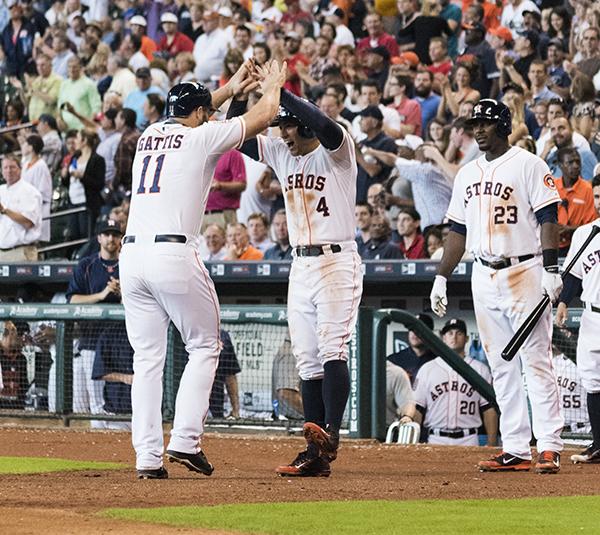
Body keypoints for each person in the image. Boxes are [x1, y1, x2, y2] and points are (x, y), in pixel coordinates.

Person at [119, 61, 286, 479]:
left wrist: (228, 89)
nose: (210, 116)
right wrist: (276, 84)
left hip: (131, 258)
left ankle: (147, 459)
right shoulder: (203, 137)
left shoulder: (149, 135)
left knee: (147, 360)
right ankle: (186, 439)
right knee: (206, 345)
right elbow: (264, 116)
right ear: (199, 116)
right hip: (172, 255)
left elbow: (191, 109)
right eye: (206, 112)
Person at [228, 69, 363, 478]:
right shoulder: (282, 152)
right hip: (301, 264)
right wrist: (249, 90)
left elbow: (325, 124)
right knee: (307, 361)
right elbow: (238, 128)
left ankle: (333, 433)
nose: (283, 133)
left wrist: (279, 92)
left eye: (288, 126)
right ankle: (315, 451)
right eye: (281, 126)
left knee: (332, 349)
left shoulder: (336, 152)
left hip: (337, 259)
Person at [430, 99, 564, 473]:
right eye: (475, 124)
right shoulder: (467, 173)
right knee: (501, 365)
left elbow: (549, 217)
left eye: (486, 123)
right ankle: (517, 447)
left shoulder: (528, 163)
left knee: (536, 359)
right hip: (483, 274)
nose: (479, 130)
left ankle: (550, 444)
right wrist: (442, 275)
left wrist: (552, 269)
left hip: (524, 269)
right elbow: (457, 230)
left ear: (504, 125)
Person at [555, 176, 600, 464]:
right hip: (592, 315)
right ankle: (599, 444)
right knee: (593, 381)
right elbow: (572, 275)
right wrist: (562, 302)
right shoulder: (585, 234)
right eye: (597, 196)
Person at [66, 219, 123, 420]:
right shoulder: (86, 265)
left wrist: (122, 293)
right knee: (85, 404)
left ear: (121, 239)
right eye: (106, 234)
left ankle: (107, 446)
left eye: (115, 234)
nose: (111, 238)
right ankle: (90, 448)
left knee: (108, 404)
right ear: (99, 238)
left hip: (119, 345)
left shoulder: (128, 265)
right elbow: (72, 299)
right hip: (90, 340)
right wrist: (101, 294)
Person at [413, 318, 498, 446]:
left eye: (459, 333)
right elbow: (417, 408)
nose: (454, 337)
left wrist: (492, 442)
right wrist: (413, 441)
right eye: (450, 333)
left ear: (467, 338)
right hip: (436, 438)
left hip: (469, 438)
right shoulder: (427, 369)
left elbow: (488, 409)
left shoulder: (480, 369)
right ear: (443, 337)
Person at [91, 322, 134, 430]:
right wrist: (125, 378)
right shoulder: (110, 333)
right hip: (117, 412)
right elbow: (100, 372)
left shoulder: (152, 332)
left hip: (147, 414)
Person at [0, 153, 42, 262]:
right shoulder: (1, 190)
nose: (9, 171)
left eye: (12, 167)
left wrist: (4, 210)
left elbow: (28, 222)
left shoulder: (30, 192)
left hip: (22, 252)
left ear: (20, 169)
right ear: (1, 171)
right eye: (5, 167)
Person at [554, 148, 597, 254]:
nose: (576, 166)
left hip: (578, 245)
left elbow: (592, 225)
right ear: (560, 165)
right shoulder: (552, 187)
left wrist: (569, 229)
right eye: (570, 162)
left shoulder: (588, 189)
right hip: (553, 243)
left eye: (578, 162)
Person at [203, 150, 247, 233]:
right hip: (202, 215)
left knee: (229, 244)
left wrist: (220, 185)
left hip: (224, 214)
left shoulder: (232, 154)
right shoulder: (201, 153)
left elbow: (241, 184)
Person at [387, 312, 436, 386]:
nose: (414, 333)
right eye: (411, 329)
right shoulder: (393, 360)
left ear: (429, 333)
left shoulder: (439, 360)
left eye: (419, 329)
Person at [20, 135, 52, 242]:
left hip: (37, 210)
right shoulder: (26, 164)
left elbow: (44, 193)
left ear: (31, 147)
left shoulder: (41, 166)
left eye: (25, 144)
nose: (23, 146)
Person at [209, 330, 241, 419]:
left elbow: (231, 376)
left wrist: (235, 409)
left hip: (216, 406)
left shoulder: (223, 337)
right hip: (193, 406)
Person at [272, 334, 303, 420]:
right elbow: (286, 393)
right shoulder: (291, 352)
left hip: (298, 421)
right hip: (293, 422)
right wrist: (316, 418)